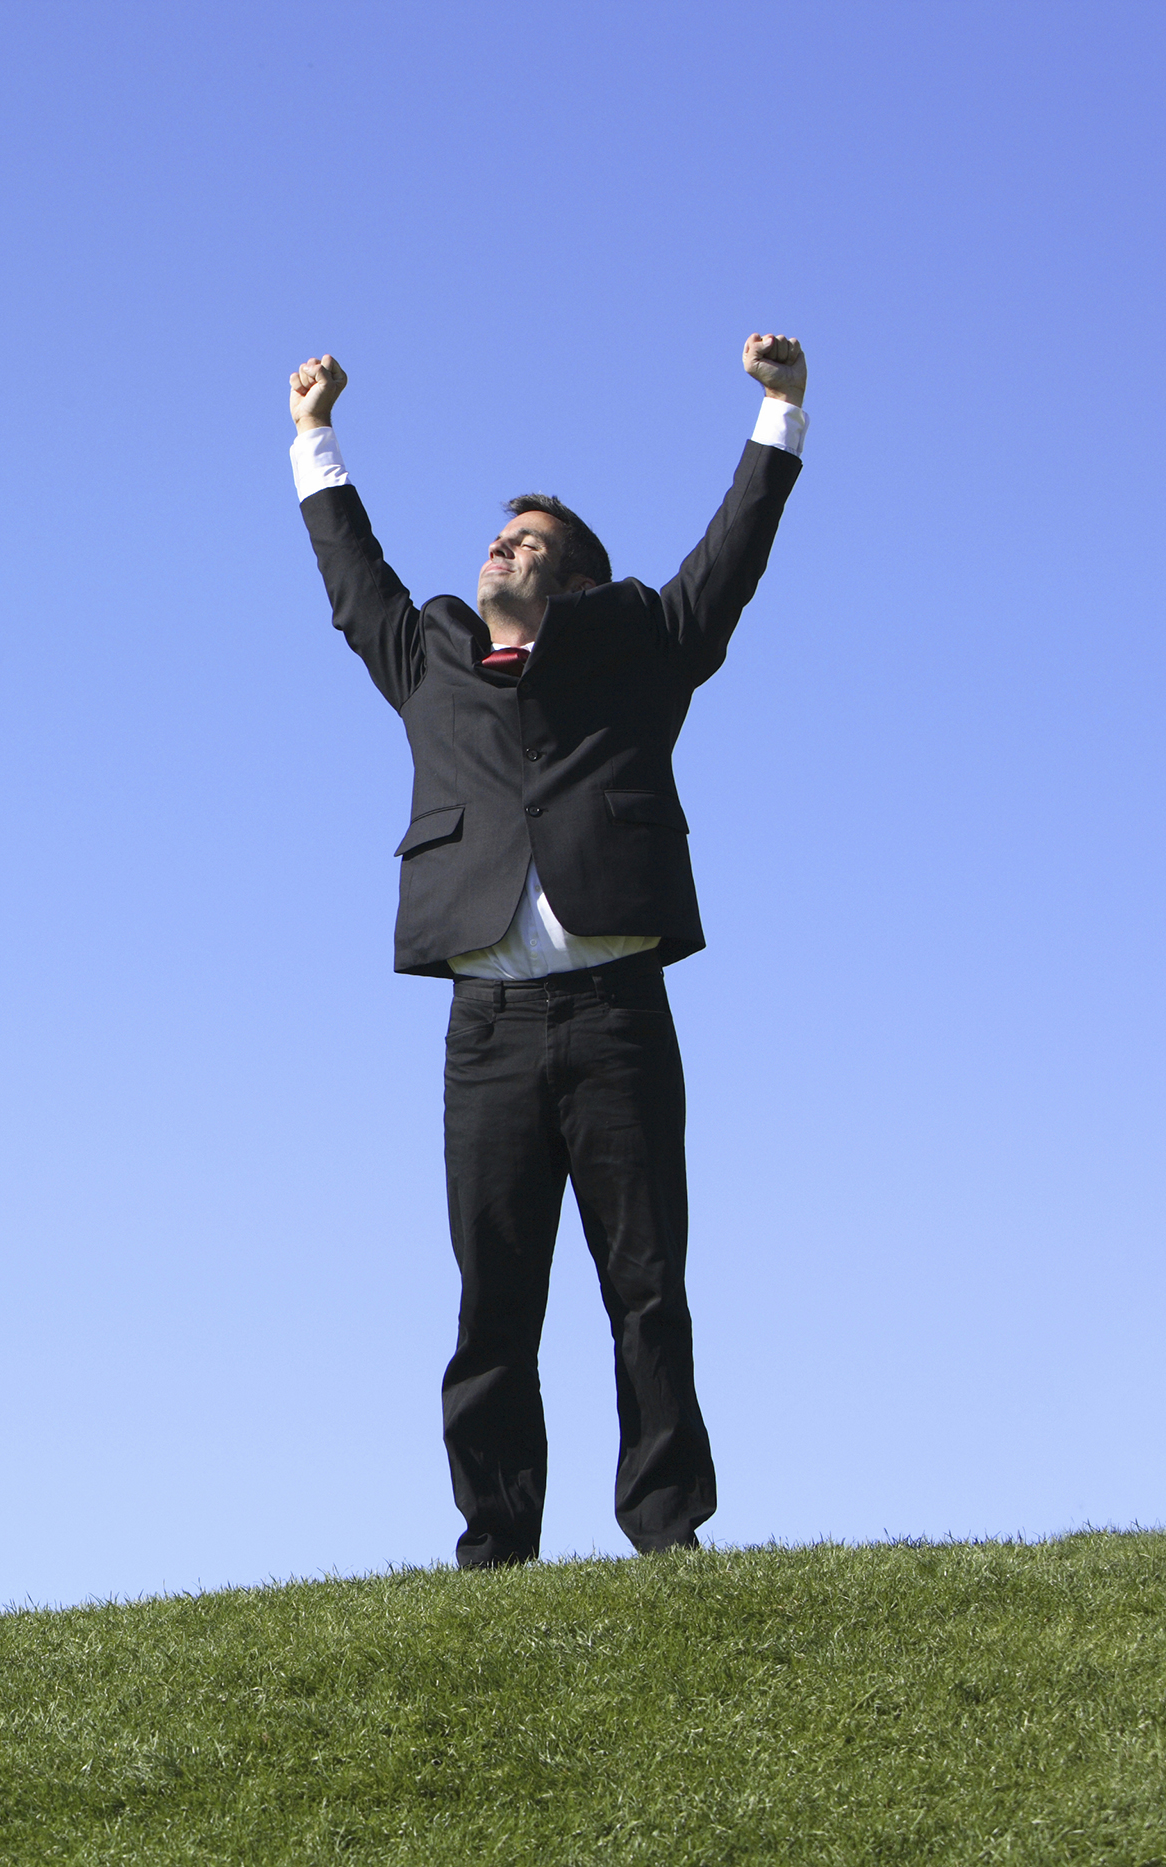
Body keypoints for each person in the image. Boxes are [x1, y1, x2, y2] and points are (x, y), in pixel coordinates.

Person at [287, 336, 807, 1568]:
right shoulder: (428, 658)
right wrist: (313, 432)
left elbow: (727, 564)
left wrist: (778, 414)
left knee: (646, 1290)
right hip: (489, 1031)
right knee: (493, 1307)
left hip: (617, 1015)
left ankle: (667, 1533)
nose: (498, 548)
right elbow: (351, 573)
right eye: (495, 536)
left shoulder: (637, 651)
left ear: (572, 583)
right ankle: (494, 1549)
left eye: (526, 542)